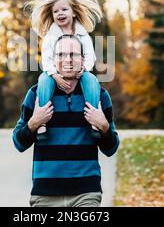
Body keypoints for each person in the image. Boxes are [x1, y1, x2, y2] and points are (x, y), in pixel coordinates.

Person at [12, 35, 120, 207]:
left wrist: (104, 126)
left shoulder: (98, 96)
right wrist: (34, 122)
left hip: (86, 193)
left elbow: (111, 149)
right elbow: (19, 143)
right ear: (53, 60)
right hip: (45, 195)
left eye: (73, 54)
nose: (67, 60)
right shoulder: (36, 94)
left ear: (83, 59)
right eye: (61, 55)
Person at [27, 0, 103, 140]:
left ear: (74, 12)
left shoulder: (82, 34)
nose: (59, 13)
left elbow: (90, 56)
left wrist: (84, 69)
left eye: (64, 9)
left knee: (92, 80)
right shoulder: (51, 35)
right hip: (55, 73)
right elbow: (46, 60)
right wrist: (54, 75)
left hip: (79, 72)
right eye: (55, 11)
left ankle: (94, 120)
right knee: (43, 79)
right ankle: (42, 123)